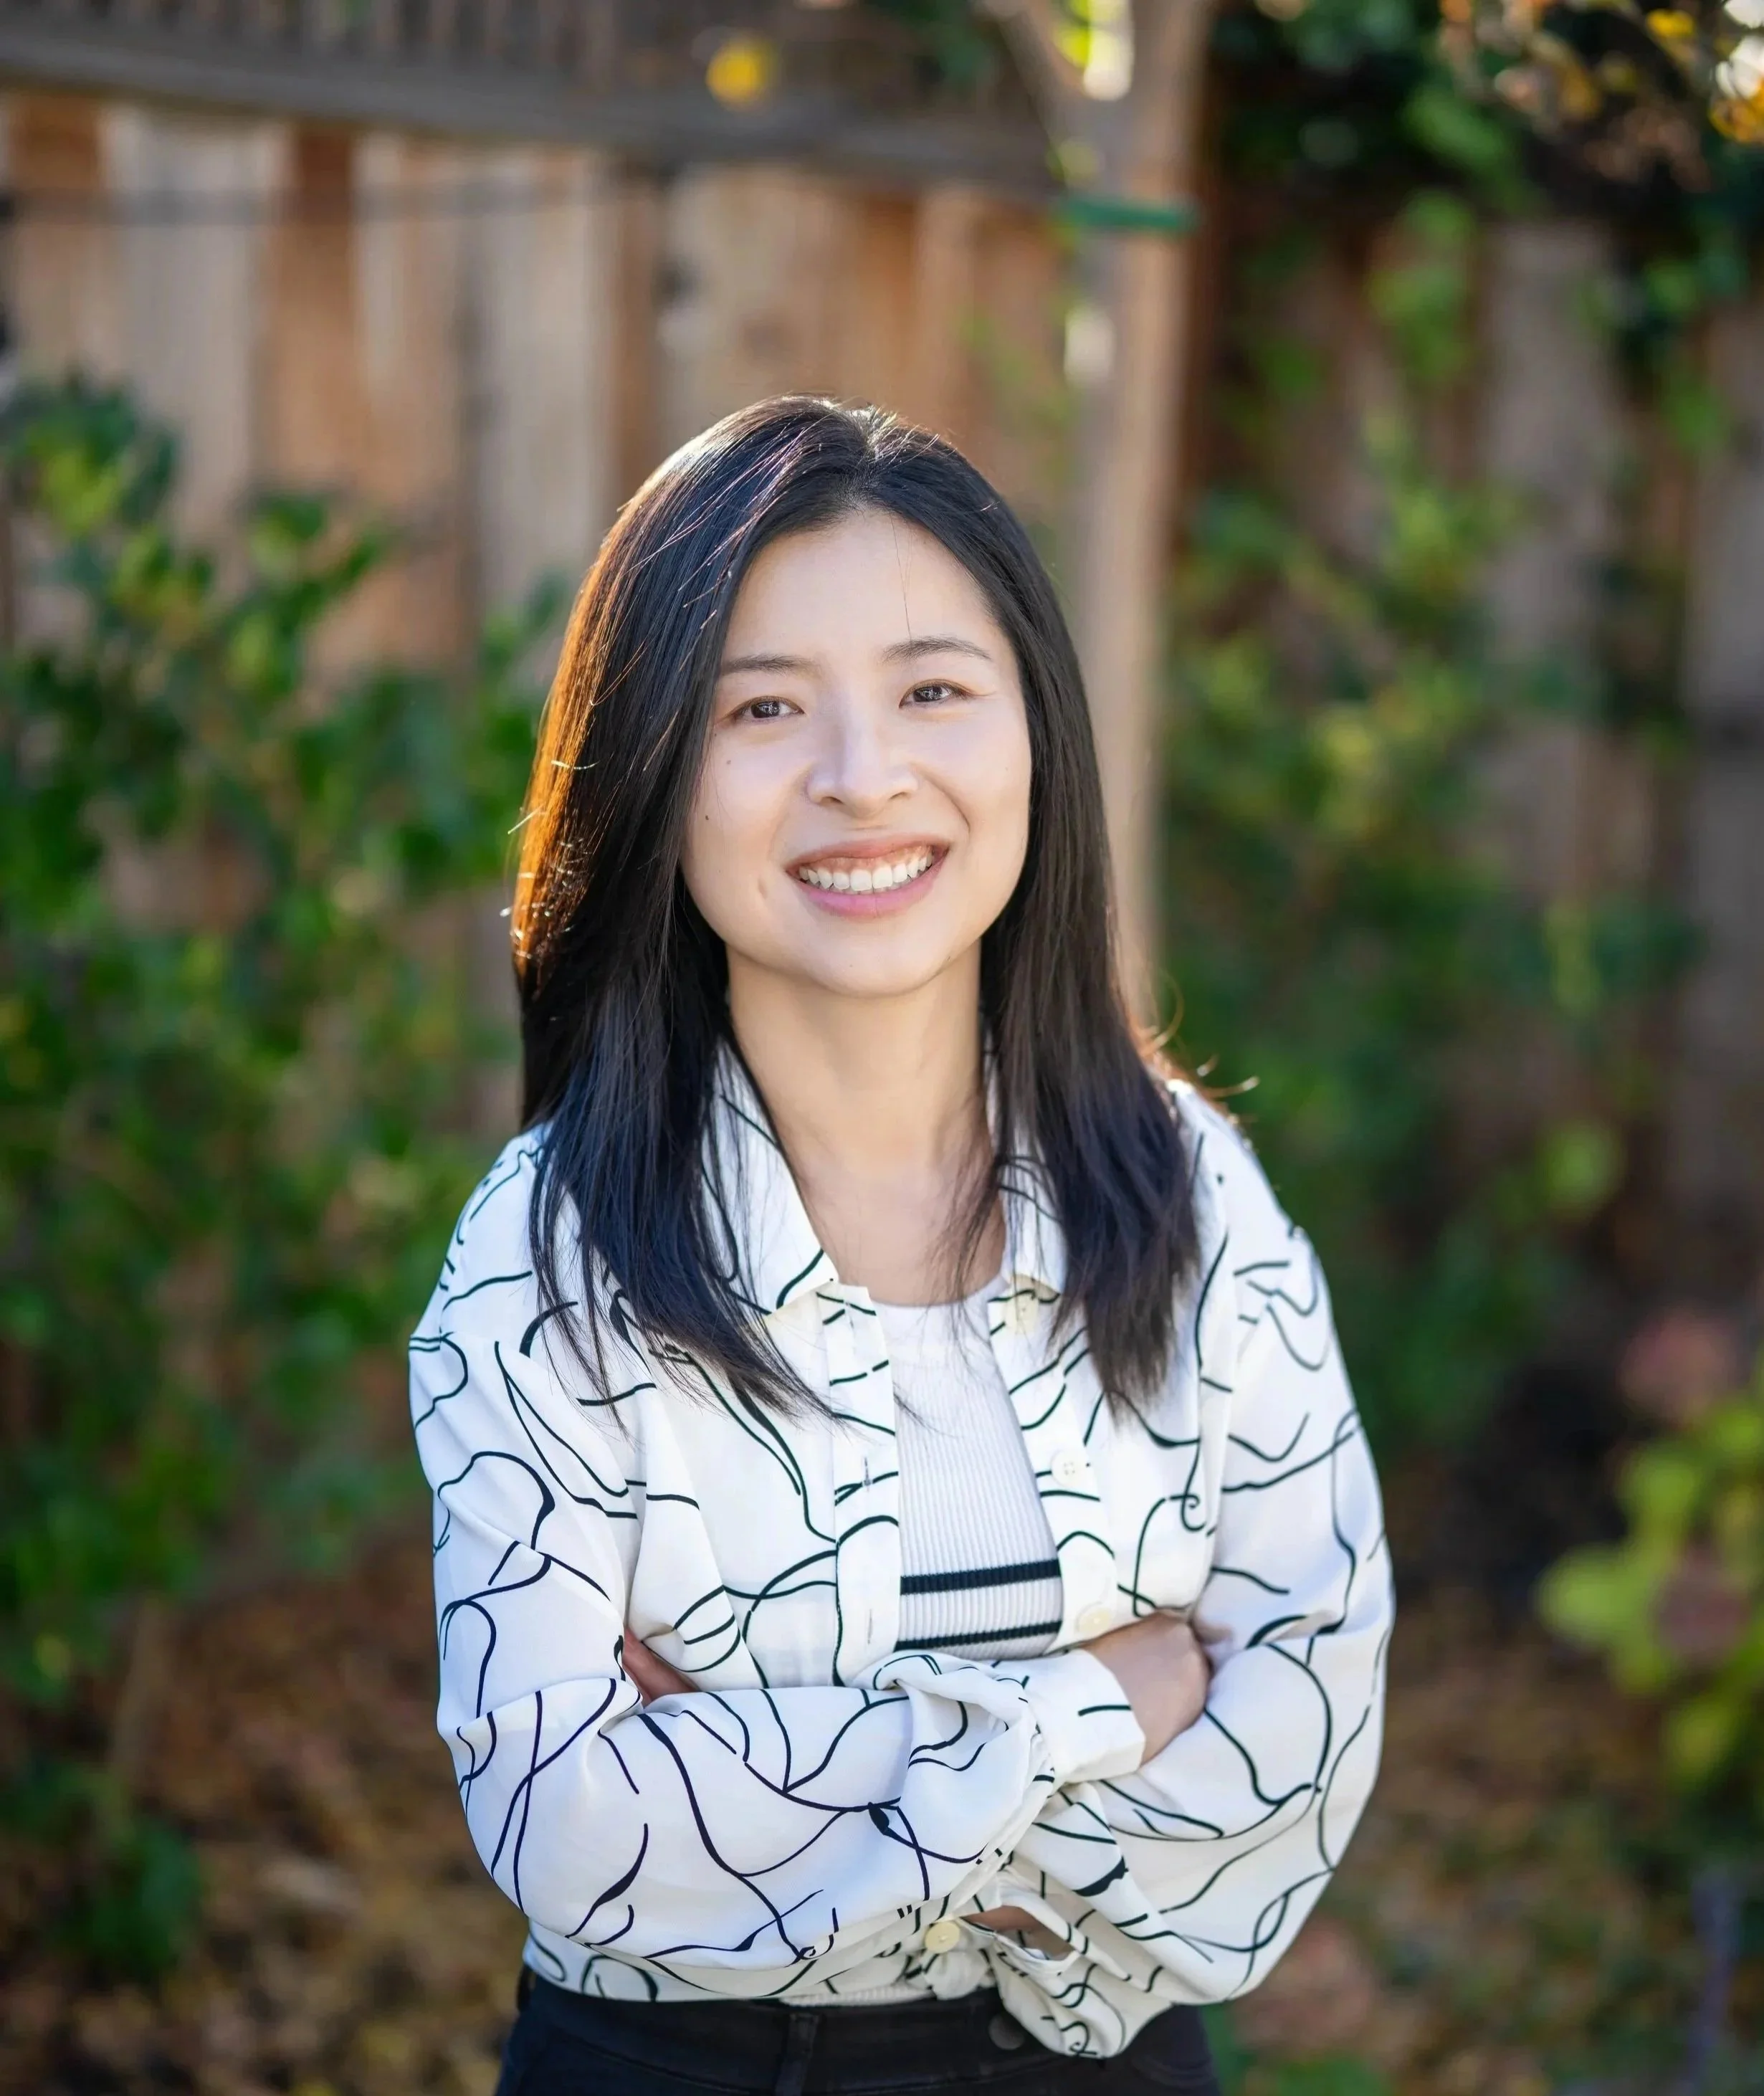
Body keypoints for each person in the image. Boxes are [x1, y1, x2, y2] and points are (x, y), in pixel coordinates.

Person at [409, 397, 1393, 2096]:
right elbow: (569, 1822)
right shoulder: (547, 1259)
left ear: (1034, 740)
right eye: (765, 708)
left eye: (935, 687)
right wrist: (1097, 1702)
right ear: (653, 770)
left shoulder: (1190, 1196)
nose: (864, 775)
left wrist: (754, 1767)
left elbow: (1311, 1722)